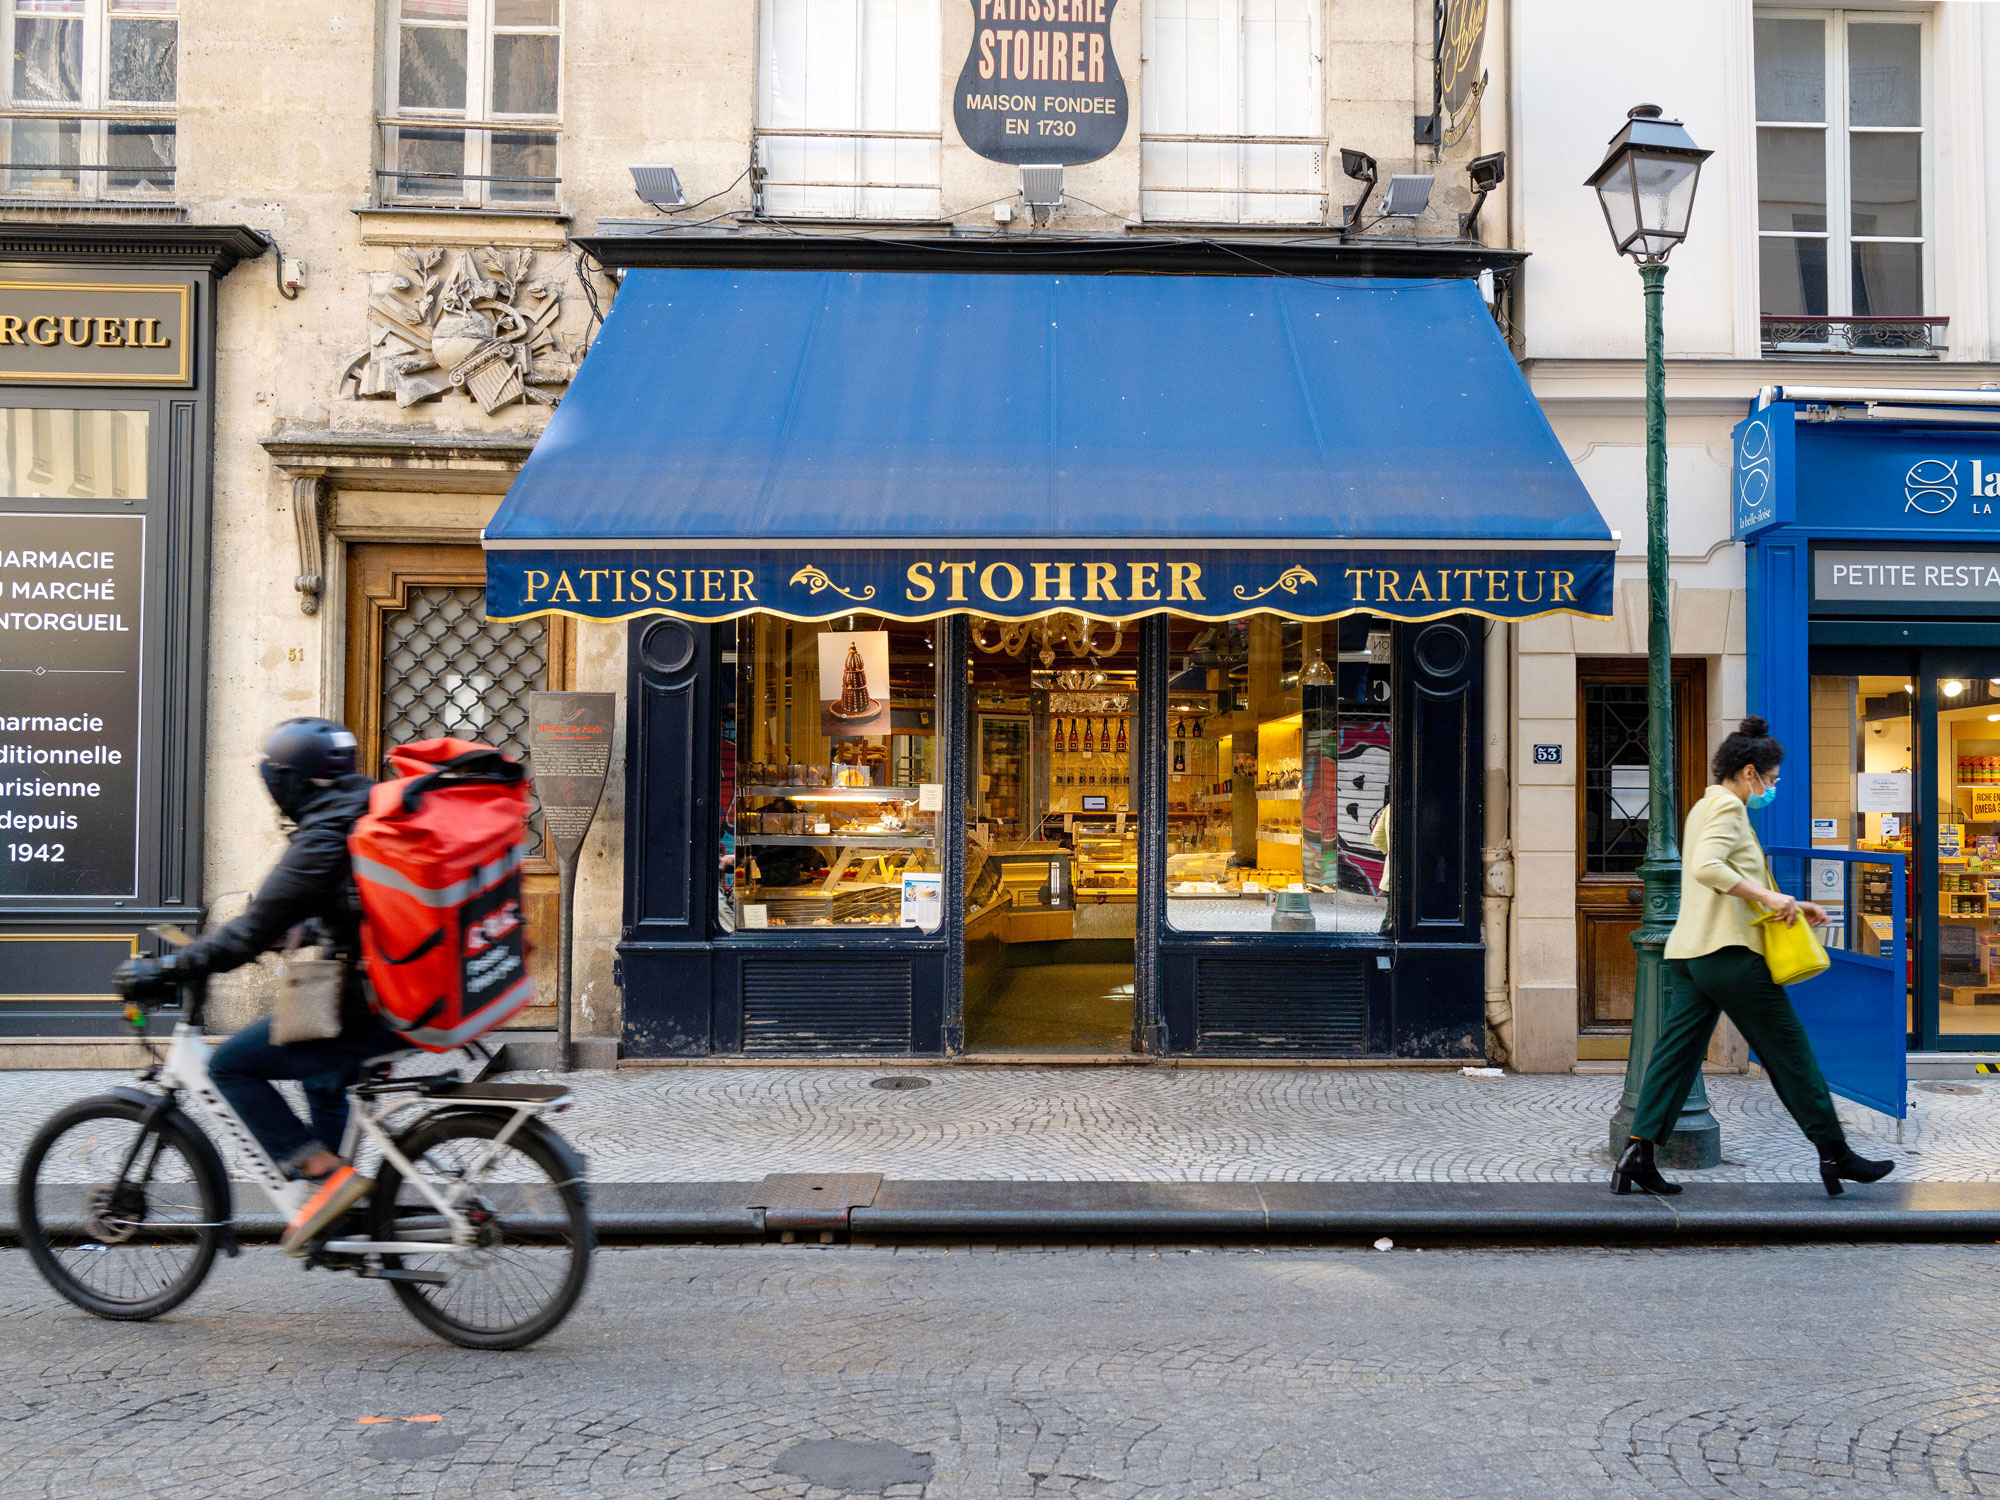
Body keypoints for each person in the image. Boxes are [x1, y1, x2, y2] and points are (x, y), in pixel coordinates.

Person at [114, 718, 404, 1255]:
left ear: (289, 782)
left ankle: (328, 1179)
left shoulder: (322, 834)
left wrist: (169, 968)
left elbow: (248, 932)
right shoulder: (363, 805)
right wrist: (310, 928)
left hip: (379, 1000)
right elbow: (361, 899)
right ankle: (334, 1215)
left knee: (231, 1065)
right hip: (401, 992)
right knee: (322, 1077)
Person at [1612, 716, 1895, 1199]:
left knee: (1674, 1057)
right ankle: (1835, 1153)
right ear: (1749, 773)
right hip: (1730, 956)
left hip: (1692, 954)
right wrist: (1770, 897)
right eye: (1772, 779)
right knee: (1790, 1053)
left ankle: (1637, 1155)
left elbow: (1723, 878)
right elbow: (1707, 868)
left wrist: (1791, 903)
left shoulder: (1703, 805)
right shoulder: (1728, 807)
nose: (1772, 788)